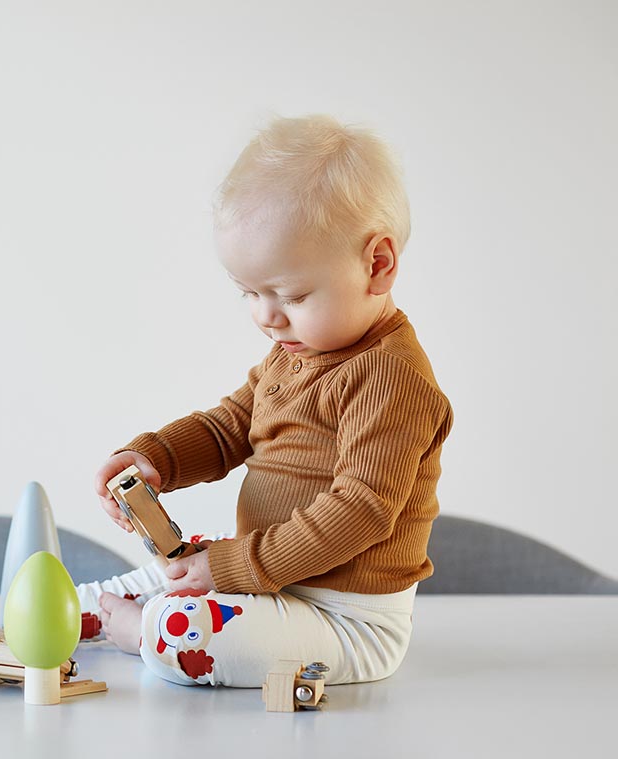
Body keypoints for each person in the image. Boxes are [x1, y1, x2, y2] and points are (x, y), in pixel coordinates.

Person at [77, 115, 453, 688]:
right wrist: (157, 458)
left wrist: (228, 568)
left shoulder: (392, 380)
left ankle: (143, 634)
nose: (267, 316)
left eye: (293, 294)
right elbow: (230, 427)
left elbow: (360, 511)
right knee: (131, 585)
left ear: (377, 264)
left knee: (182, 625)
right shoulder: (296, 350)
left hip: (346, 618)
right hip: (270, 581)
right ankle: (61, 615)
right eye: (250, 293)